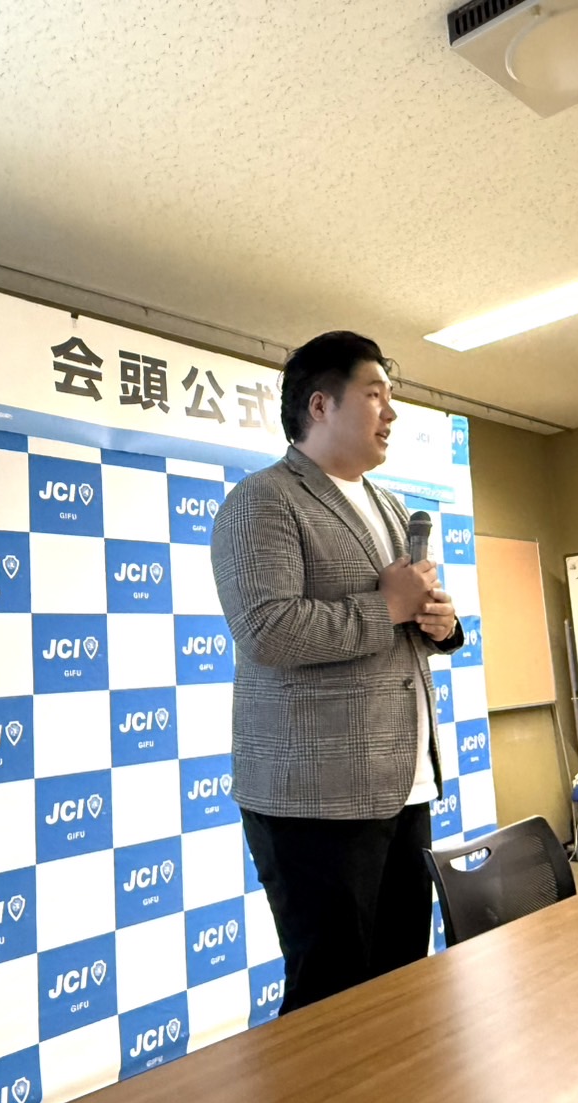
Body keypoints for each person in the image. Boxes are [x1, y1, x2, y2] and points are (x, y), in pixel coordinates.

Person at [210, 330, 463, 1014]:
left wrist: (441, 624)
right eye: (375, 395)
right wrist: (388, 606)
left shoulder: (387, 504)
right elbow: (267, 630)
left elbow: (401, 617)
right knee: (330, 995)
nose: (391, 412)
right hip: (314, 795)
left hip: (401, 782)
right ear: (320, 405)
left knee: (401, 982)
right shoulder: (262, 500)